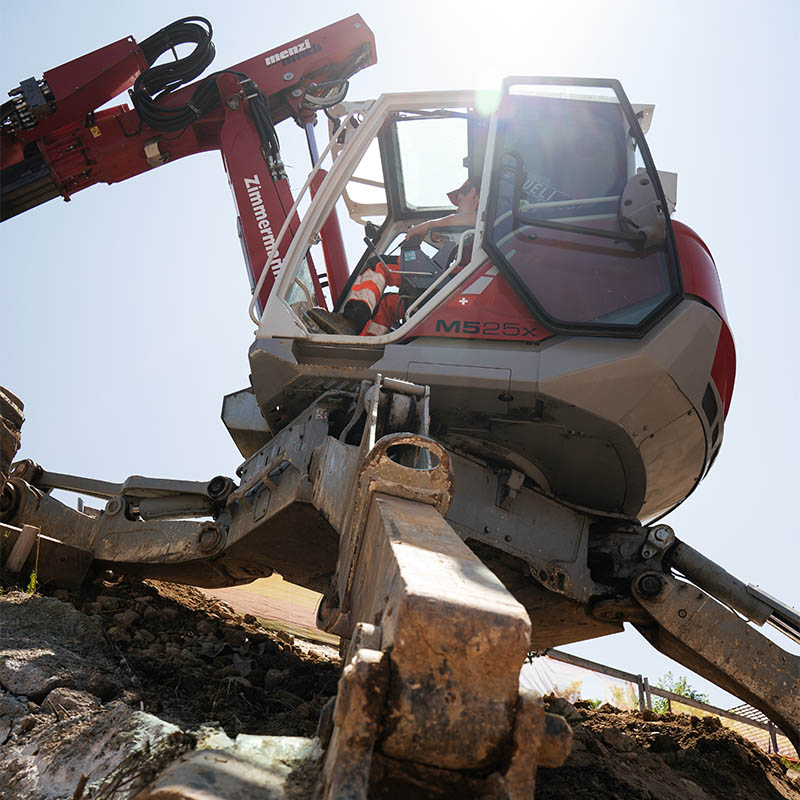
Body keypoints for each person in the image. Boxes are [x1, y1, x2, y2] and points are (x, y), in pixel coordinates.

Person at [307, 179, 480, 336]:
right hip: (447, 286)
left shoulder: (486, 219)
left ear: (473, 192)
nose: (457, 205)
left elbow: (474, 218)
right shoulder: (469, 235)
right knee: (389, 304)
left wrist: (428, 225)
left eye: (460, 198)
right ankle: (367, 344)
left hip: (450, 284)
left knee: (379, 265)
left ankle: (351, 321)